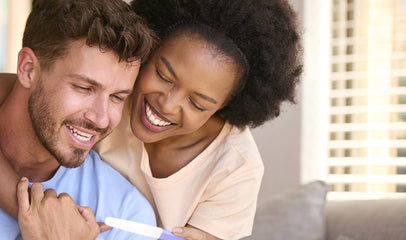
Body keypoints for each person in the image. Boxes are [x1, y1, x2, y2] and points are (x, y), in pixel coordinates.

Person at [0, 0, 302, 239]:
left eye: (197, 103)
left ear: (222, 108)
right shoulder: (120, 85)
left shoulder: (235, 167)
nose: (167, 105)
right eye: (163, 75)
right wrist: (35, 213)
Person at [0, 0, 157, 239]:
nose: (102, 119)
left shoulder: (126, 217)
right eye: (84, 88)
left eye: (117, 97)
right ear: (28, 69)